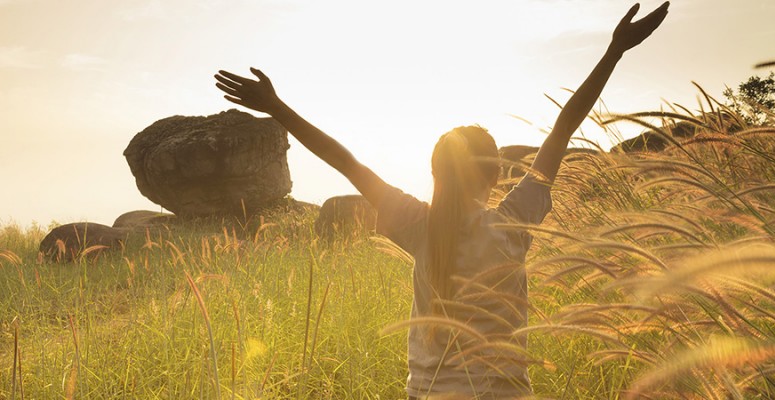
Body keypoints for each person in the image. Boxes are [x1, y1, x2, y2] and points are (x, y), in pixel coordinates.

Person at [215, 2, 669, 398]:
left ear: (434, 173)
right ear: (496, 174)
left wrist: (278, 107)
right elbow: (562, 129)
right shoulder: (514, 221)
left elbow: (346, 162)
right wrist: (614, 51)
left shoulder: (418, 225)